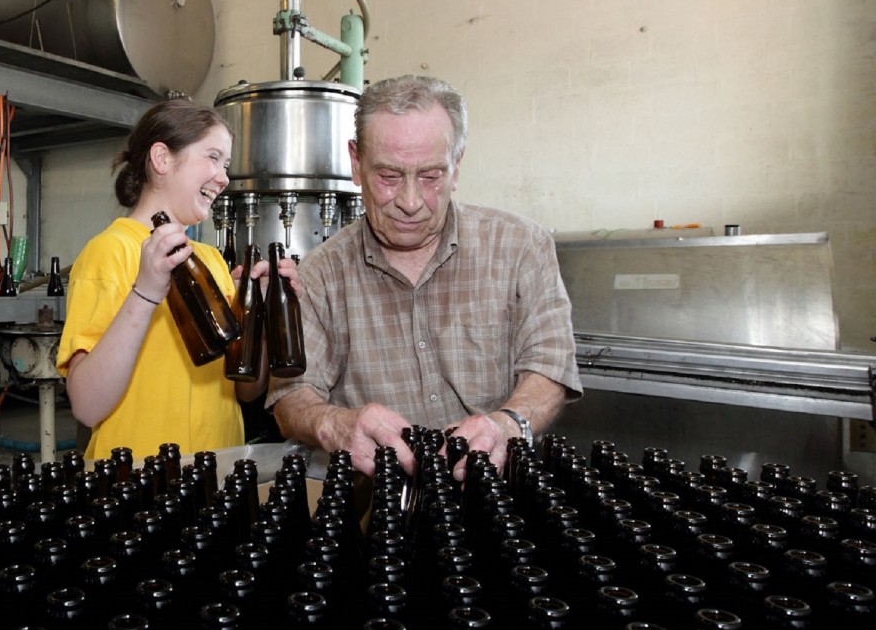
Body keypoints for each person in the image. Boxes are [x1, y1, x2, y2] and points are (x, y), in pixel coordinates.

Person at [266, 75, 582, 476]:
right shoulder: (319, 274)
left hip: (497, 496)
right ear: (356, 164)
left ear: (456, 165)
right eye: (389, 177)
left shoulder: (521, 247)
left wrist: (506, 424)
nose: (410, 202)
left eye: (431, 177)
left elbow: (550, 366)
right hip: (376, 506)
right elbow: (292, 395)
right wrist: (333, 424)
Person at [58, 98, 298, 462]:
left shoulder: (211, 260)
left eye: (227, 164)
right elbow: (87, 406)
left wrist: (260, 318)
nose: (224, 177)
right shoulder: (110, 252)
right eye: (213, 157)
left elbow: (246, 392)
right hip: (141, 484)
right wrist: (146, 293)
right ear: (162, 159)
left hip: (218, 476)